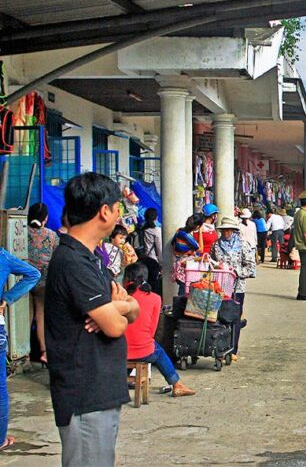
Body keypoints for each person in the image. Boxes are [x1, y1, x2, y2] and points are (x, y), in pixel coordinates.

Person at [45, 172, 140, 467]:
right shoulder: (72, 261)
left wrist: (118, 307)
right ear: (104, 211)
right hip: (85, 393)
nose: (118, 216)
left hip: (100, 389)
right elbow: (114, 327)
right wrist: (115, 310)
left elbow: (133, 309)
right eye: (117, 208)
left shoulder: (93, 259)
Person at [123, 262, 195, 397]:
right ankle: (176, 384)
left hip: (120, 350)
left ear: (127, 279)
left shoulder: (122, 298)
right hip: (144, 350)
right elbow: (153, 330)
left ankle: (119, 384)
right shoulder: (155, 298)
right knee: (159, 352)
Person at [0, 245, 40, 451]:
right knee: (0, 386)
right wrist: (7, 298)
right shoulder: (3, 256)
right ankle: (0, 439)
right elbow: (34, 274)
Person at [211, 216, 256, 361]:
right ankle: (220, 347)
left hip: (237, 287)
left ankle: (232, 349)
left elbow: (250, 267)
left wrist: (236, 272)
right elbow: (213, 263)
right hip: (220, 287)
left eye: (228, 230)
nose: (226, 233)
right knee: (220, 317)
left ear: (233, 230)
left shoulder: (243, 245)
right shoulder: (216, 245)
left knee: (235, 318)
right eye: (223, 230)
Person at [27, 202, 59, 365]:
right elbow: (57, 259)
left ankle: (23, 355)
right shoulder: (52, 236)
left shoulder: (21, 233)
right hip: (43, 282)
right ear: (45, 218)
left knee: (25, 317)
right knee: (41, 316)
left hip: (22, 280)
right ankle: (44, 352)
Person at [170, 213, 203, 297]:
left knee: (182, 291)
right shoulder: (187, 236)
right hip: (185, 268)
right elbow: (201, 249)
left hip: (178, 264)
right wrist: (200, 233)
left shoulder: (179, 231)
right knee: (185, 293)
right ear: (198, 226)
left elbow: (172, 243)